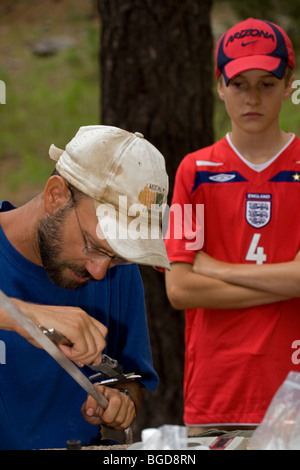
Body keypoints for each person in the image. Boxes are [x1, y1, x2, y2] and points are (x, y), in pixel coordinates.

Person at [164, 18, 300, 435]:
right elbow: (181, 289)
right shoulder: (194, 170)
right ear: (219, 86)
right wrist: (283, 280)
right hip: (215, 397)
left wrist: (215, 268)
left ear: (289, 83)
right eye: (239, 84)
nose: (252, 98)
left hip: (292, 393)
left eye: (267, 83)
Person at [0, 125, 170, 449]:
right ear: (56, 196)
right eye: (92, 245)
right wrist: (26, 316)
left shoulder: (117, 271)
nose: (99, 271)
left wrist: (121, 399)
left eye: (117, 256)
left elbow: (128, 377)